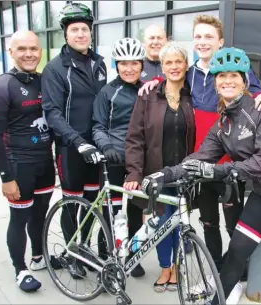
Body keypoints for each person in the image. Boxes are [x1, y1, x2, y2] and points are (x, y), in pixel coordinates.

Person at [141, 47, 261, 305]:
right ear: (214, 82)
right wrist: (165, 174)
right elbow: (200, 157)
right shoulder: (223, 123)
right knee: (236, 251)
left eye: (234, 76)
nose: (227, 81)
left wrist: (217, 171)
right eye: (221, 76)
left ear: (244, 81)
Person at [138, 14, 261, 302]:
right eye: (198, 37)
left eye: (208, 37)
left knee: (235, 226)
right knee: (208, 224)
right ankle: (216, 273)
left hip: (230, 165)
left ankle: (238, 276)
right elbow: (170, 77)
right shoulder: (189, 73)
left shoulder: (230, 71)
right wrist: (152, 81)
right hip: (201, 164)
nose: (203, 42)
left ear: (220, 42)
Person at [41, 3, 106, 278]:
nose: (81, 34)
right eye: (75, 29)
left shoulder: (99, 63)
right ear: (66, 34)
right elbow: (52, 112)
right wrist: (78, 142)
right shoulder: (56, 68)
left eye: (85, 29)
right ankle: (70, 253)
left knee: (92, 203)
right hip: (71, 148)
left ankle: (84, 248)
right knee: (72, 203)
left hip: (97, 145)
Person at [124, 42, 195, 292]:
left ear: (186, 65)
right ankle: (166, 269)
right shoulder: (148, 94)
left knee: (179, 222)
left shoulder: (192, 94)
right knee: (162, 222)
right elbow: (135, 137)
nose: (174, 66)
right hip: (157, 174)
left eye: (179, 61)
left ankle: (176, 268)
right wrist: (134, 172)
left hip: (184, 174)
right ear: (161, 67)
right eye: (168, 62)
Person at [0, 30, 59, 292]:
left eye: (34, 48)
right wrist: (6, 178)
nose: (29, 54)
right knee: (19, 218)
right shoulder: (1, 86)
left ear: (41, 51)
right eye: (22, 49)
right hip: (18, 165)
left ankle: (39, 257)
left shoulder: (43, 81)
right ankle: (20, 269)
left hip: (44, 162)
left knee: (39, 214)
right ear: (11, 52)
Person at [92, 37, 146, 277]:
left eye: (134, 63)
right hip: (113, 157)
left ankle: (132, 255)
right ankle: (106, 257)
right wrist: (106, 147)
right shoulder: (108, 92)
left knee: (136, 210)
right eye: (123, 63)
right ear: (116, 65)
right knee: (111, 212)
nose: (129, 68)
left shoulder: (148, 90)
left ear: (142, 65)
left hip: (138, 160)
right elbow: (97, 126)